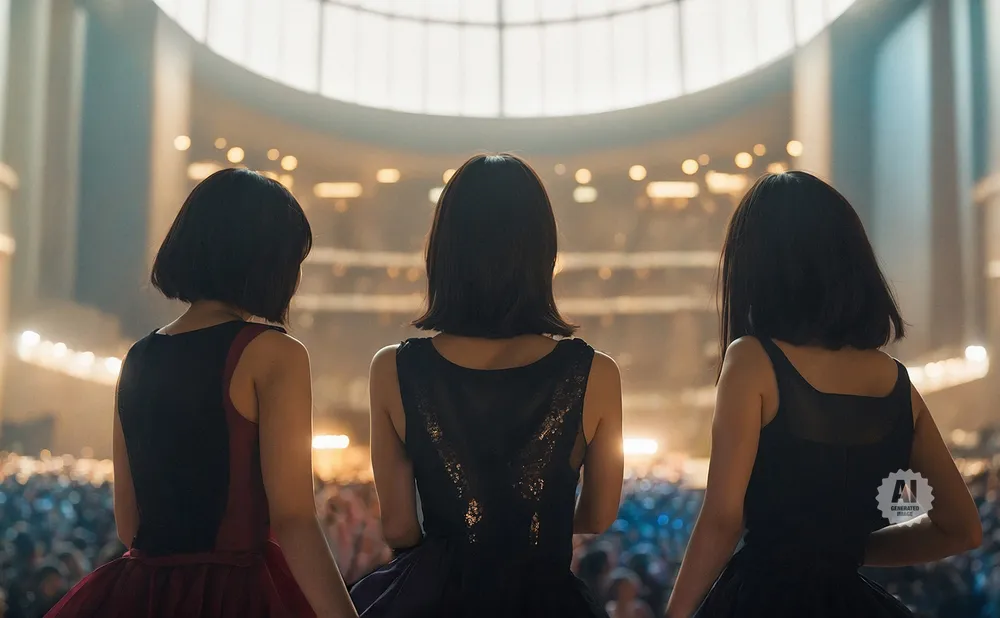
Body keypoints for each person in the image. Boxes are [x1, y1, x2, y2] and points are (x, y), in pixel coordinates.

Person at [665, 171, 983, 617]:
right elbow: (962, 531)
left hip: (763, 598)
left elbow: (723, 519)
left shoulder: (752, 361)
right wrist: (845, 551)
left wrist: (676, 613)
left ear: (755, 267)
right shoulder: (895, 381)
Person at [45, 169, 357, 618]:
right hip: (239, 592)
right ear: (268, 260)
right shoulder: (274, 353)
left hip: (142, 592)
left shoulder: (138, 357)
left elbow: (129, 525)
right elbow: (294, 520)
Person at [349, 154, 625, 617]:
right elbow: (598, 515)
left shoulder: (393, 368)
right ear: (543, 253)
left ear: (442, 251)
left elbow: (398, 528)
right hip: (544, 599)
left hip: (438, 598)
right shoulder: (596, 371)